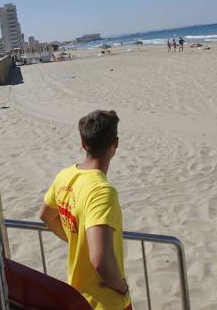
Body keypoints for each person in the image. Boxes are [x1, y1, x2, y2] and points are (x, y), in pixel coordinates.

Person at [40, 110, 132, 310]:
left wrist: (76, 239)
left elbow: (46, 215)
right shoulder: (102, 191)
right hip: (105, 301)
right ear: (115, 144)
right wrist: (122, 287)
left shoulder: (65, 176)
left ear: (83, 144)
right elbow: (100, 261)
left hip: (77, 296)